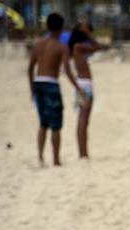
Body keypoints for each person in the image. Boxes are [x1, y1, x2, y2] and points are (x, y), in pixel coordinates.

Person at [27, 13, 85, 166]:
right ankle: (56, 159)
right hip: (51, 84)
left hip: (38, 83)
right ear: (61, 28)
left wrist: (31, 89)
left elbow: (30, 68)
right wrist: (78, 87)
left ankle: (40, 157)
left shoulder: (38, 44)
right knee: (56, 125)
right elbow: (67, 71)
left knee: (43, 123)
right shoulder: (61, 47)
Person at [68, 21, 106, 159]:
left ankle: (84, 152)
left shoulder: (78, 46)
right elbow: (98, 46)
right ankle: (82, 153)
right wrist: (88, 34)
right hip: (83, 85)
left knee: (84, 120)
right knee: (83, 120)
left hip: (85, 84)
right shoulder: (78, 46)